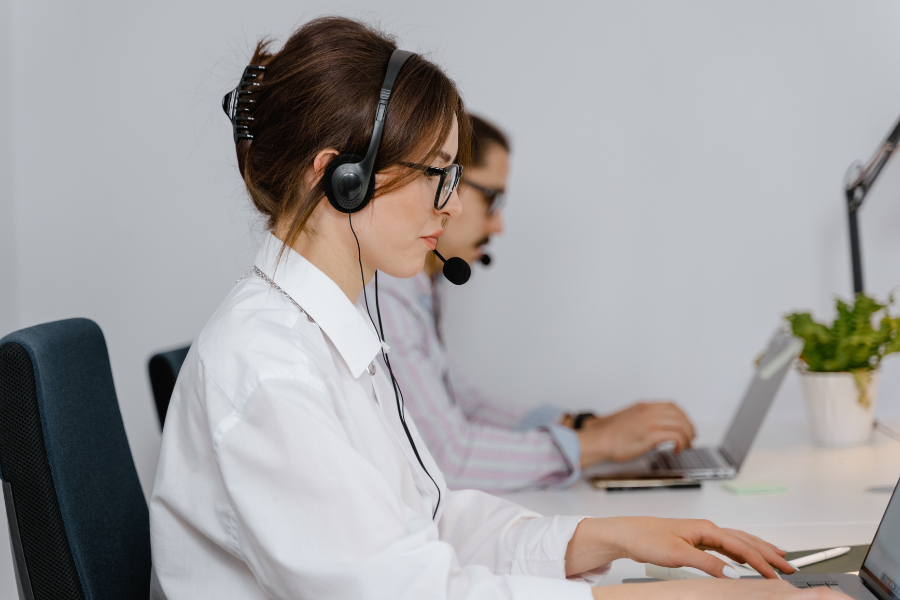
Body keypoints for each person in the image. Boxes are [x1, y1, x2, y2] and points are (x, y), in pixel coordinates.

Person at [149, 16, 843, 600]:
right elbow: (406, 591)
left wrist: (599, 537)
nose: (449, 205)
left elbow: (431, 519)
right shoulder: (272, 372)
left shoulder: (332, 334)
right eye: (436, 176)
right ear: (339, 179)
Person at [374, 115, 697, 492]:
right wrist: (599, 443)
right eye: (491, 199)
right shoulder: (385, 288)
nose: (498, 226)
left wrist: (582, 427)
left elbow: (463, 403)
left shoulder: (417, 285)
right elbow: (449, 458)